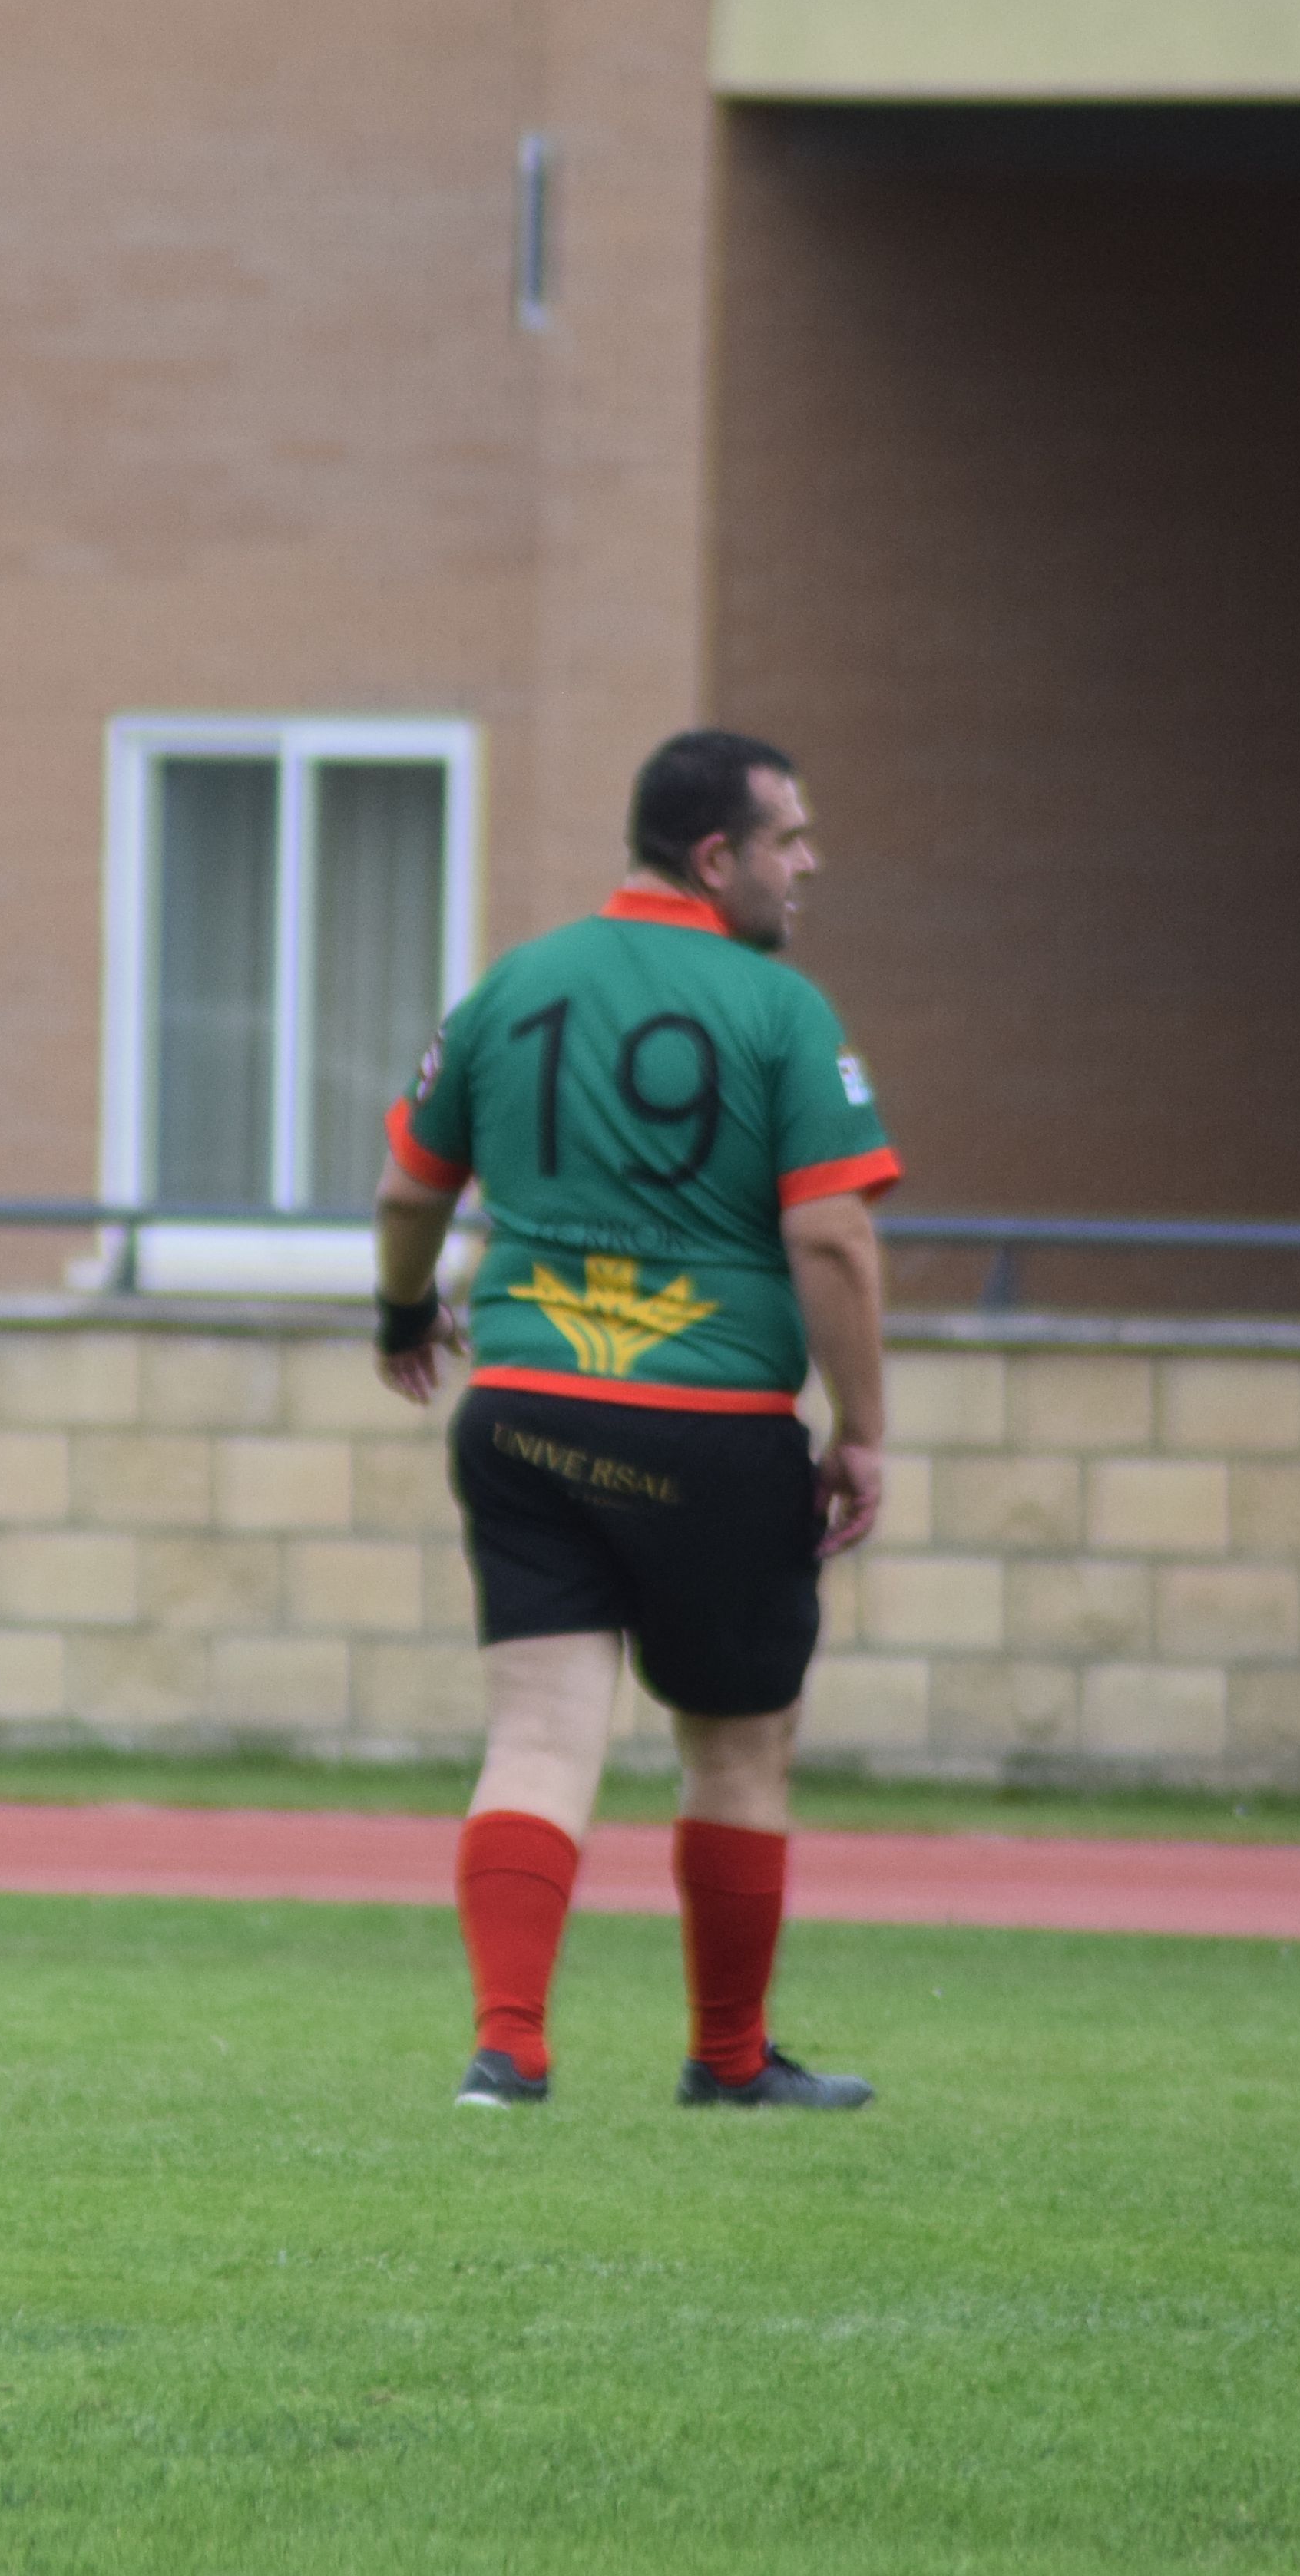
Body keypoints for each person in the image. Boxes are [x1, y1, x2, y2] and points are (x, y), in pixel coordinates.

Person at [370, 728, 896, 2114]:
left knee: (540, 1734)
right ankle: (727, 2062)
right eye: (790, 840)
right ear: (716, 857)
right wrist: (863, 1428)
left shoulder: (514, 985)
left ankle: (508, 2048)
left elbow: (409, 1192)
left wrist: (400, 1314)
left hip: (527, 1410)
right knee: (735, 1743)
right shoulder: (780, 1013)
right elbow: (832, 1242)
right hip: (708, 1432)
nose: (809, 864)